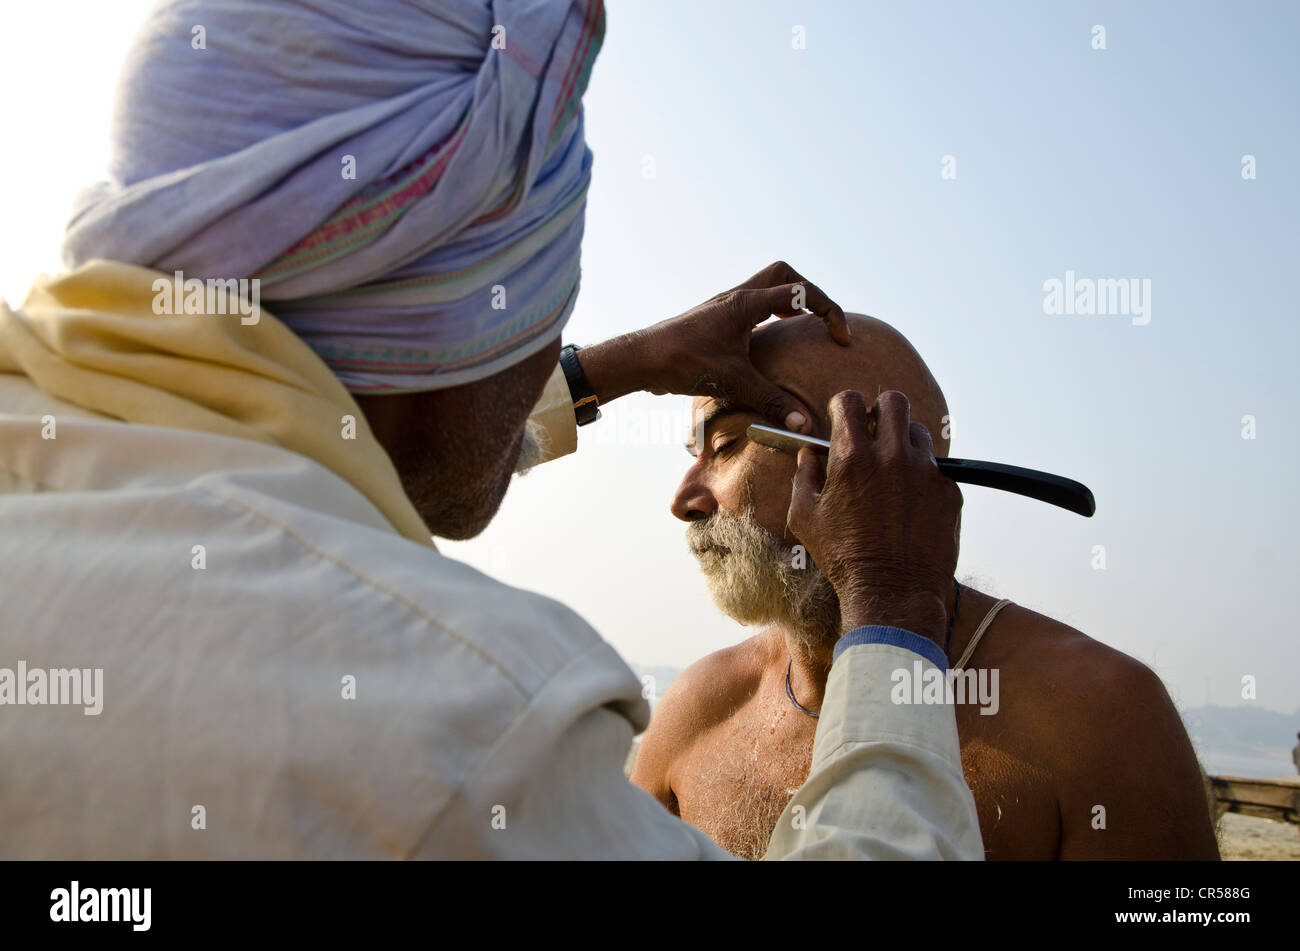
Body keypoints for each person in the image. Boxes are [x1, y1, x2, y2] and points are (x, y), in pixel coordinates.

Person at [0, 0, 981, 859]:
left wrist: (603, 370)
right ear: (449, 325)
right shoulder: (466, 727)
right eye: (540, 319)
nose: (680, 496)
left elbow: (351, 416)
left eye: (723, 444)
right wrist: (893, 611)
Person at [632, 312, 1221, 860]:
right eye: (696, 454)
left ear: (863, 455)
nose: (684, 500)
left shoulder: (1100, 714)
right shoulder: (695, 709)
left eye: (727, 445)